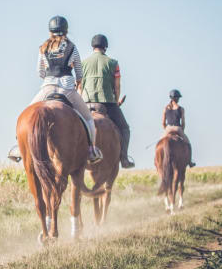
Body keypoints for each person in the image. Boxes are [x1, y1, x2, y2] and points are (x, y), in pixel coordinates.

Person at [8, 16, 103, 163]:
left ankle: (19, 147)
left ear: (50, 31)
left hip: (47, 87)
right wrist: (77, 82)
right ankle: (92, 150)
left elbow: (40, 72)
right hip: (67, 89)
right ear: (66, 31)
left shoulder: (43, 48)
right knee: (89, 119)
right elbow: (79, 73)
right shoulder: (72, 47)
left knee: (24, 117)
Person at [81, 34, 135, 168]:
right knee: (125, 128)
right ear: (105, 47)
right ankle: (124, 159)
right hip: (107, 102)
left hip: (86, 103)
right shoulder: (113, 63)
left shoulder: (83, 63)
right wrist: (116, 101)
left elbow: (80, 85)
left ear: (93, 46)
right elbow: (117, 86)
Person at [163, 89, 195, 167]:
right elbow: (183, 123)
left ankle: (158, 159)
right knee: (188, 143)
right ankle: (190, 162)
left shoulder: (165, 108)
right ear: (177, 98)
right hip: (177, 128)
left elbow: (163, 123)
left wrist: (166, 130)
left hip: (168, 129)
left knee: (161, 142)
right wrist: (182, 131)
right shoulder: (181, 109)